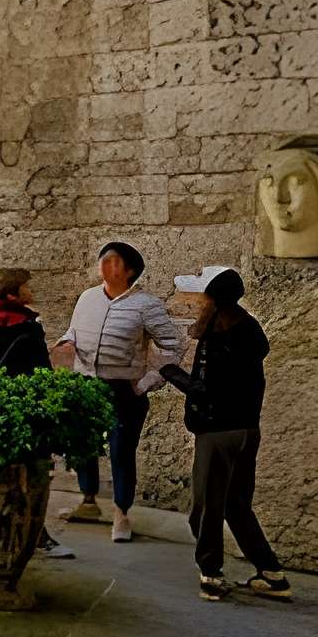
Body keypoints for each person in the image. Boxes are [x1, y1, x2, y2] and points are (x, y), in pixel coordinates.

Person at [160, 265, 292, 602]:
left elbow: (206, 390)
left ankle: (211, 574)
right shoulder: (249, 329)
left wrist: (169, 371)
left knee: (204, 507)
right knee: (236, 504)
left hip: (219, 432)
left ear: (215, 302)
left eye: (204, 300)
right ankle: (271, 573)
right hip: (247, 430)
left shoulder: (222, 339)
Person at [53, 240, 186, 542]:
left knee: (121, 449)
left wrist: (147, 381)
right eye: (104, 259)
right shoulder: (87, 298)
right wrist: (65, 343)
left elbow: (173, 345)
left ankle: (121, 512)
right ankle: (88, 501)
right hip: (84, 384)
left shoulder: (146, 305)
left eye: (114, 262)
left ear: (129, 272)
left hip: (123, 389)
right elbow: (73, 330)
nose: (105, 265)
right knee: (81, 444)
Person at [0, 268, 73, 560]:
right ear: (13, 295)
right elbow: (40, 371)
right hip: (29, 411)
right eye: (25, 287)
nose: (31, 291)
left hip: (1, 408)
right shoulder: (27, 326)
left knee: (3, 474)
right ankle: (35, 536)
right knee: (34, 475)